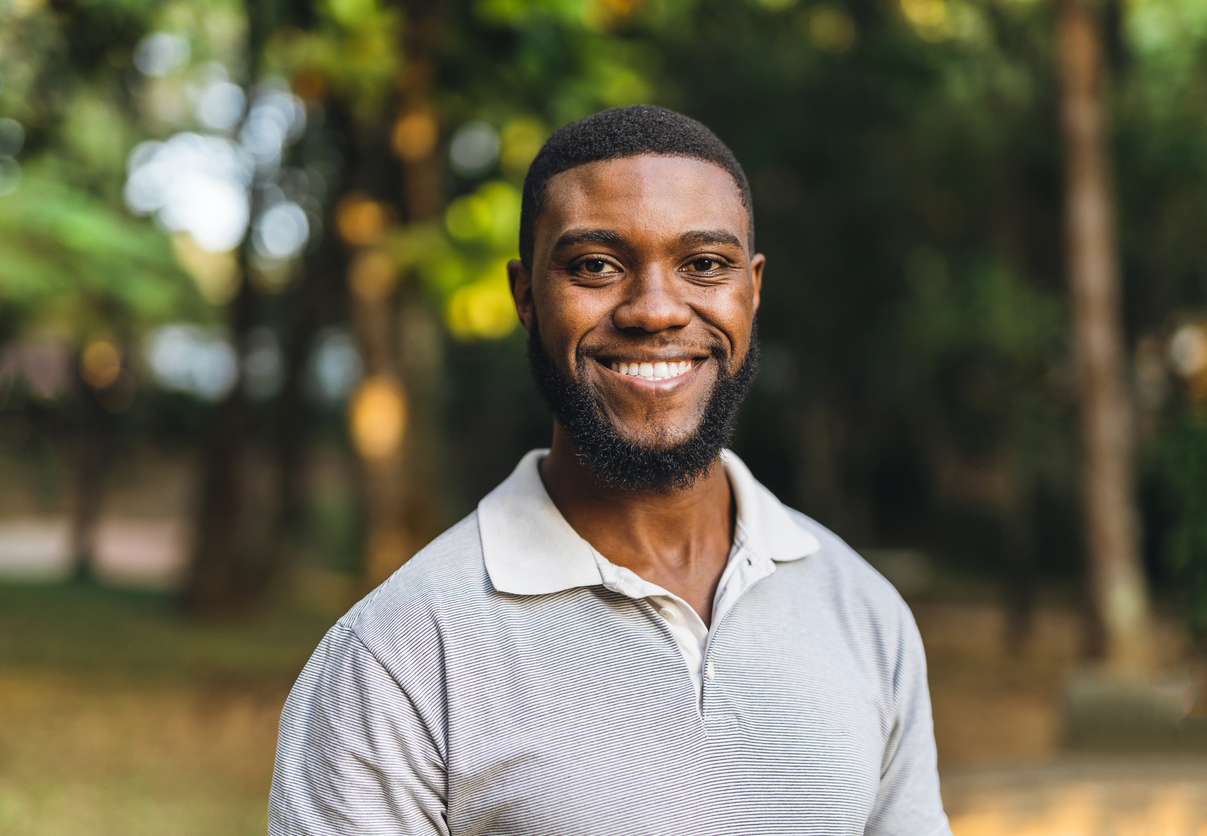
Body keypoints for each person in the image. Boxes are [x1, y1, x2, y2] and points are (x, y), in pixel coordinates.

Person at [269, 105, 951, 836]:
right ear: (526, 297)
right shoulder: (396, 655)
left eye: (705, 265)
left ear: (751, 291)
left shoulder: (864, 613)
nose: (655, 310)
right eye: (596, 265)